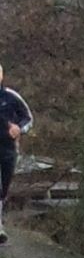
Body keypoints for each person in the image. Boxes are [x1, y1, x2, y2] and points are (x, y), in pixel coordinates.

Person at [0, 64, 35, 246]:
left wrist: (19, 129)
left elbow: (28, 118)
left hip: (8, 149)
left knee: (3, 188)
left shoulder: (11, 97)